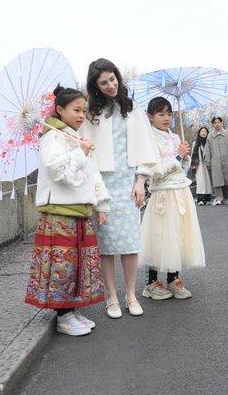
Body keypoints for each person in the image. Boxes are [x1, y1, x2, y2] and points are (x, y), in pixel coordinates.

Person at [25, 85, 110, 336]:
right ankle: (62, 316)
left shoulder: (74, 137)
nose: (82, 115)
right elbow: (58, 171)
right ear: (60, 110)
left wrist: (101, 204)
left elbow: (93, 174)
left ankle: (71, 311)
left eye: (84, 110)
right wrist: (81, 152)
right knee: (62, 265)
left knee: (75, 265)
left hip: (78, 211)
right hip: (59, 212)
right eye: (76, 110)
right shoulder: (52, 137)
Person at [79, 58, 160, 319]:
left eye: (113, 79)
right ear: (96, 86)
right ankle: (111, 297)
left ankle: (131, 295)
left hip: (128, 180)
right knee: (107, 244)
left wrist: (141, 180)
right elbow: (84, 148)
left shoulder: (132, 108)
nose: (110, 85)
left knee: (130, 242)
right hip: (102, 182)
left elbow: (146, 145)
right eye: (104, 83)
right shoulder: (90, 113)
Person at [139, 97, 205, 300]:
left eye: (169, 113)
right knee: (158, 236)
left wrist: (185, 157)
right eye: (161, 114)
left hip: (180, 192)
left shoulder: (176, 138)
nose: (166, 118)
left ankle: (173, 279)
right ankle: (150, 283)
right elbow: (155, 171)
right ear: (150, 116)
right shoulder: (148, 139)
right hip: (162, 194)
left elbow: (183, 170)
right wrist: (177, 157)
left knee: (177, 234)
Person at [204, 116, 228, 205]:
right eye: (215, 123)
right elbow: (207, 150)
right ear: (213, 124)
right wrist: (208, 161)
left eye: (218, 122)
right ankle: (219, 198)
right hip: (215, 162)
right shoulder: (210, 136)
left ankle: (225, 198)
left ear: (221, 123)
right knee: (217, 180)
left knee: (227, 180)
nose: (217, 124)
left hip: (227, 161)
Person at [190, 126, 212, 205]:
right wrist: (193, 166)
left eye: (205, 132)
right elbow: (193, 154)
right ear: (199, 133)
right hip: (198, 164)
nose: (203, 133)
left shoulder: (209, 143)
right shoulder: (195, 143)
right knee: (200, 181)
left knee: (208, 181)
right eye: (202, 131)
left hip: (207, 163)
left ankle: (208, 198)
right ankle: (200, 199)